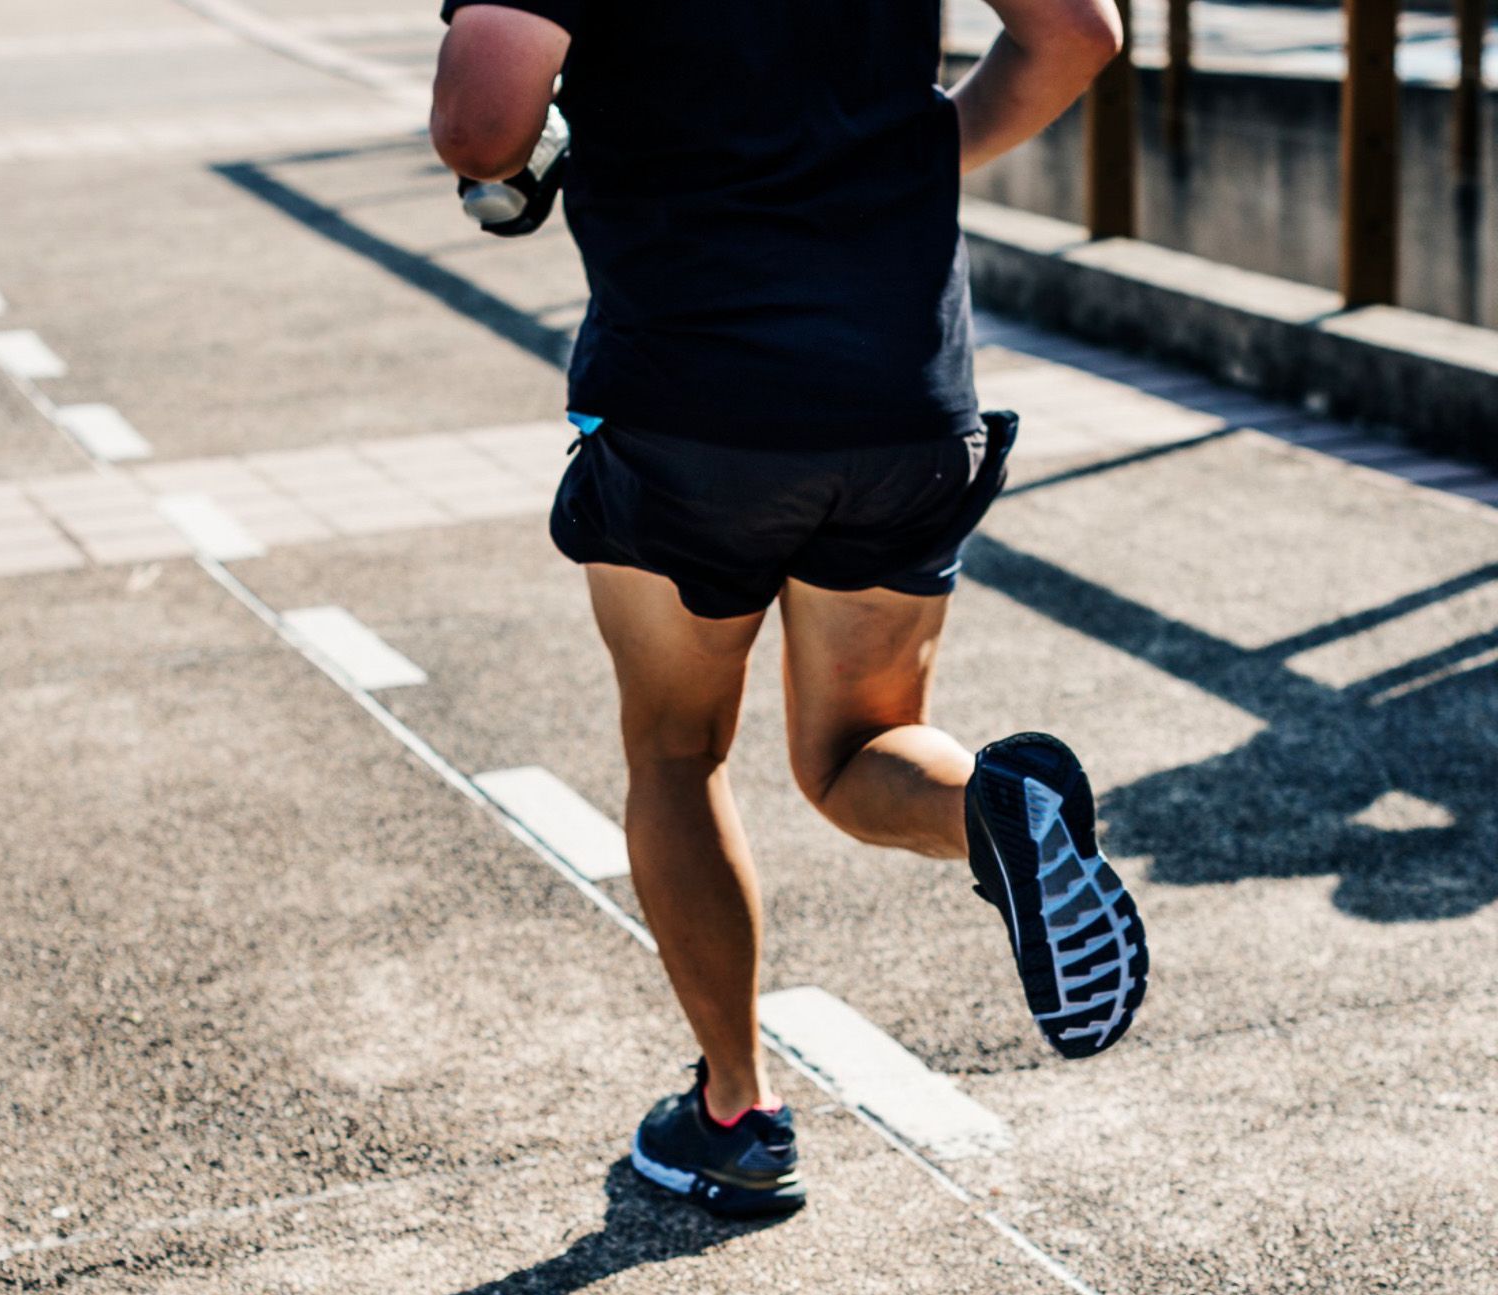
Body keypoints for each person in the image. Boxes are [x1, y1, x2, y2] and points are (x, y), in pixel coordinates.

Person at [431, 0, 1148, 1217]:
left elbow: (480, 117)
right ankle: (992, 809)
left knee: (675, 751)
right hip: (902, 396)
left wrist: (524, 157)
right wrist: (907, 161)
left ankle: (735, 1116)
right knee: (856, 749)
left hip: (689, 402)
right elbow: (1078, 30)